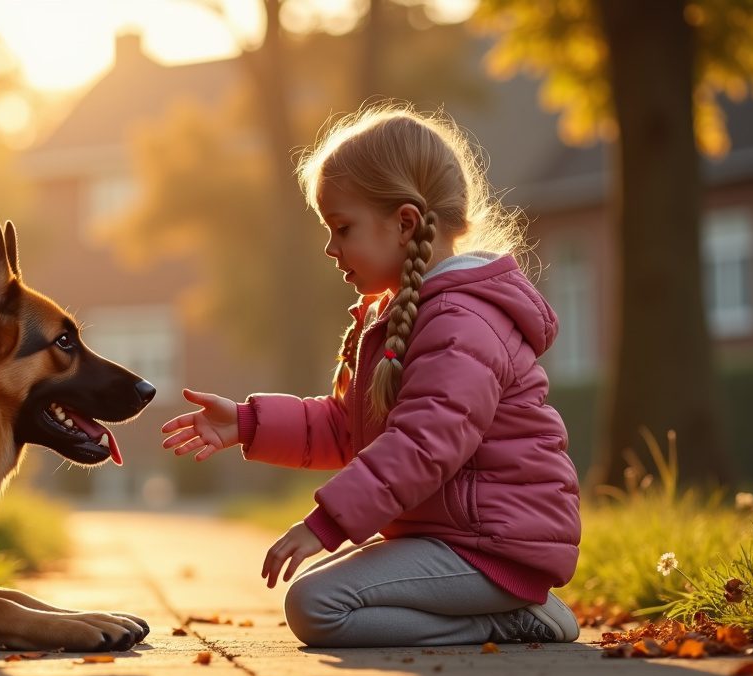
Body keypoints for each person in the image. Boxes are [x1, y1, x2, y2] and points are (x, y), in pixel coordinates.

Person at [159, 104, 581, 647]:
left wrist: (325, 524)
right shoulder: (404, 315)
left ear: (404, 223)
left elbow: (422, 445)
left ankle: (509, 619)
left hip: (492, 546)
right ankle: (499, 618)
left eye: (342, 228)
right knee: (316, 595)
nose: (332, 249)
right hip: (455, 540)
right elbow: (345, 428)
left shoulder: (462, 324)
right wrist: (246, 423)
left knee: (317, 605)